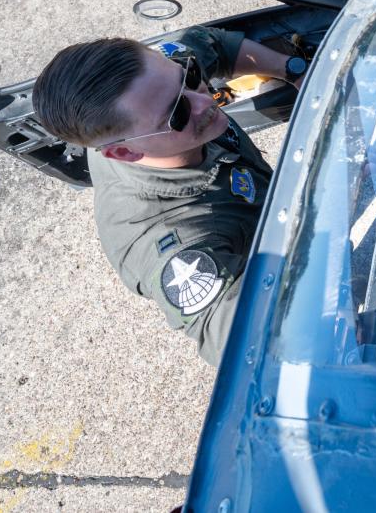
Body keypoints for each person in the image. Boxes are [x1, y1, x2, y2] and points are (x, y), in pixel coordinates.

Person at [32, 26, 305, 365]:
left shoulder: (158, 84)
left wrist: (294, 70)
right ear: (124, 154)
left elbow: (211, 44)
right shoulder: (167, 238)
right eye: (177, 115)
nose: (207, 102)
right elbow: (244, 343)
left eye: (189, 77)